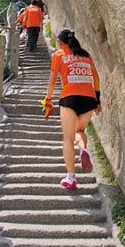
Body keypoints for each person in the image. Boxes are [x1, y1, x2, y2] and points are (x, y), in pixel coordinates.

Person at [43, 29, 102, 189]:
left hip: (69, 96)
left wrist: (48, 100)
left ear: (62, 43)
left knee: (68, 138)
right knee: (79, 131)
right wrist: (98, 100)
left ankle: (71, 178)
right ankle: (83, 149)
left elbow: (53, 81)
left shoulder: (59, 55)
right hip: (89, 98)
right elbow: (96, 77)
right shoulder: (85, 55)